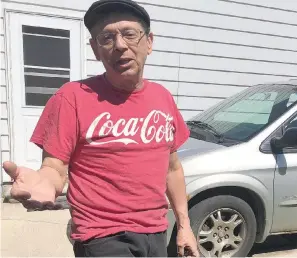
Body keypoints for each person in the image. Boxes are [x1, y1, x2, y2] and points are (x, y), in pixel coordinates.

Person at [2, 0, 199, 256]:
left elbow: (172, 169)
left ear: (149, 42)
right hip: (101, 236)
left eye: (129, 33)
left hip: (155, 233)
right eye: (106, 37)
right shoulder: (72, 97)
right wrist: (45, 183)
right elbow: (54, 167)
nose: (119, 45)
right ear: (95, 49)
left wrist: (184, 226)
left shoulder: (163, 98)